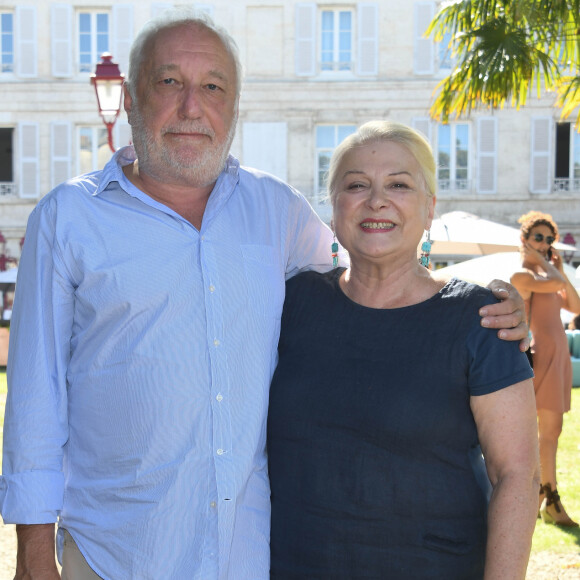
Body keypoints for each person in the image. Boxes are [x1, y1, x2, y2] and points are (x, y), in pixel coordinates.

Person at [0, 11, 529, 580]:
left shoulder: (275, 210)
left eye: (212, 87)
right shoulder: (69, 218)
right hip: (114, 556)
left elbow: (373, 263)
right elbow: (35, 395)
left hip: (245, 558)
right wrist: (33, 554)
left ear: (234, 105)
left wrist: (486, 300)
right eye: (169, 82)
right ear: (130, 98)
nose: (191, 107)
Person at [267, 121, 540, 579]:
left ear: (429, 207)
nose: (377, 200)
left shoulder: (483, 320)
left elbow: (517, 475)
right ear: (333, 208)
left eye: (399, 184)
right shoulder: (289, 304)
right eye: (357, 185)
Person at [511, 211, 580, 527]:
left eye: (549, 239)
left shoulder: (547, 278)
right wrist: (549, 264)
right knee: (546, 433)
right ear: (524, 239)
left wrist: (558, 266)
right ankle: (547, 498)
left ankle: (544, 497)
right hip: (540, 358)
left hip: (557, 357)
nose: (544, 243)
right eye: (538, 237)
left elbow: (576, 306)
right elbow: (551, 282)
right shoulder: (523, 275)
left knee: (552, 432)